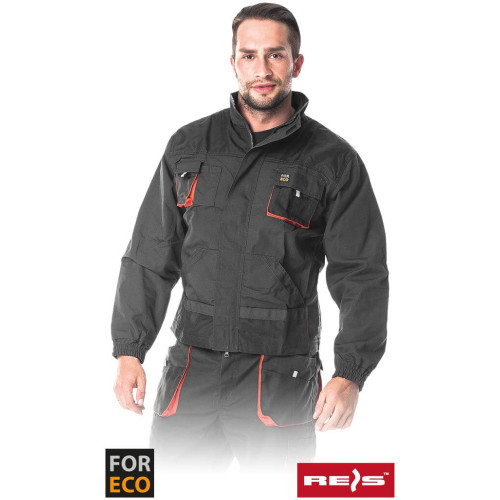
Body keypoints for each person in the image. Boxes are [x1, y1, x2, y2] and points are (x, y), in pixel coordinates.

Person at [111, 2, 389, 476]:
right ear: (234, 62)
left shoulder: (334, 160)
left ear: (297, 63)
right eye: (249, 55)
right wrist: (128, 350)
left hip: (280, 378)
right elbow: (150, 253)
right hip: (190, 371)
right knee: (161, 486)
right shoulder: (189, 144)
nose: (262, 69)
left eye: (275, 55)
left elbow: (361, 273)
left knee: (280, 489)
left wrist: (351, 373)